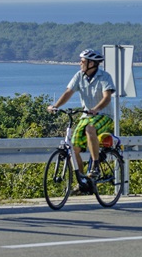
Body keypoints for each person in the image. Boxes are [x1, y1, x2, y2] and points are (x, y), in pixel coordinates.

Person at [48, 48, 116, 186]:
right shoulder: (79, 76)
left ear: (92, 63)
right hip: (86, 116)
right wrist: (55, 106)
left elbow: (107, 97)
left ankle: (95, 165)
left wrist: (96, 109)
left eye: (83, 61)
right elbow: (68, 92)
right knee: (74, 149)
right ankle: (83, 180)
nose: (80, 63)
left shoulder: (104, 77)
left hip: (104, 115)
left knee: (90, 129)